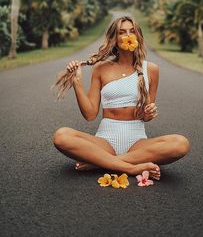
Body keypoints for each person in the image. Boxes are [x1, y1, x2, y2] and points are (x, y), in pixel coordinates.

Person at [52, 16, 190, 179]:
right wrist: (77, 83)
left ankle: (101, 163)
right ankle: (130, 168)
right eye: (122, 32)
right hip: (105, 142)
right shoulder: (100, 69)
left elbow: (146, 116)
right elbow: (89, 115)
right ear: (115, 39)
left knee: (181, 143)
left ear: (138, 36)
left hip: (137, 144)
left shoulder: (151, 69)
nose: (128, 35)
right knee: (61, 136)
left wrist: (148, 114)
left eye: (132, 31)